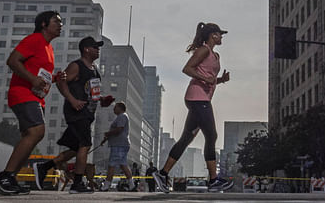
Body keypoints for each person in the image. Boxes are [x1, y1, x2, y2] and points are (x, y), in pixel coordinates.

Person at [153, 22, 233, 193]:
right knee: (211, 135)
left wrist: (221, 80)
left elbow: (209, 78)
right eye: (220, 34)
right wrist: (206, 80)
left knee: (185, 140)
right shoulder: (204, 50)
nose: (221, 37)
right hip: (197, 98)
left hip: (201, 98)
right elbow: (187, 69)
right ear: (213, 35)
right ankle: (213, 181)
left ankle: (162, 174)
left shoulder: (215, 55)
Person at [0, 11, 64, 195]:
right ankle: (5, 176)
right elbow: (12, 61)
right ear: (43, 24)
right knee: (37, 131)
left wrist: (55, 78)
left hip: (36, 96)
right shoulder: (34, 39)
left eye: (61, 22)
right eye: (56, 21)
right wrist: (32, 79)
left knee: (31, 136)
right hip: (23, 93)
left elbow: (42, 76)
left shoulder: (48, 47)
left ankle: (10, 179)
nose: (60, 24)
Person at [32, 36, 113, 194]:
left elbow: (91, 92)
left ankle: (43, 167)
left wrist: (102, 100)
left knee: (75, 149)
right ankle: (77, 184)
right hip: (76, 112)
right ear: (86, 49)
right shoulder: (77, 66)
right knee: (85, 145)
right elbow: (61, 82)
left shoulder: (95, 70)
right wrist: (73, 100)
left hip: (87, 113)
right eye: (95, 47)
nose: (98, 49)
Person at [100, 102, 136, 191]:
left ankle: (106, 185)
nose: (113, 109)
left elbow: (119, 129)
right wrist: (106, 138)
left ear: (120, 108)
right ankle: (132, 185)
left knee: (111, 165)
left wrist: (108, 133)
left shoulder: (122, 116)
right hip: (121, 144)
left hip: (119, 145)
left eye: (115, 107)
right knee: (123, 165)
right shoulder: (121, 117)